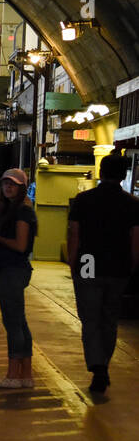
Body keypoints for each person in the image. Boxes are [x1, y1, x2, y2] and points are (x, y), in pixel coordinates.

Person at [67, 151, 139, 396]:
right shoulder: (132, 204)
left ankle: (97, 366)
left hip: (88, 263)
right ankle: (103, 365)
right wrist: (132, 266)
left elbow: (74, 234)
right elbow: (135, 239)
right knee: (109, 319)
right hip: (118, 267)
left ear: (101, 172)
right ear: (123, 175)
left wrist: (73, 263)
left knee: (90, 318)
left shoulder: (83, 200)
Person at [0, 168, 38, 389]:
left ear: (21, 188)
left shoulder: (23, 212)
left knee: (12, 323)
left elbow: (20, 245)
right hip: (12, 269)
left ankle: (12, 374)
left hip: (14, 270)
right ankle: (25, 375)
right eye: (5, 183)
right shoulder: (12, 209)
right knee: (19, 321)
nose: (8, 187)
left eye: (13, 184)